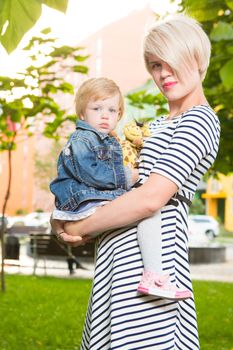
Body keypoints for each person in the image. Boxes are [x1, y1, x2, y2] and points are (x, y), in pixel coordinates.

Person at [51, 14, 220, 349]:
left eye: (172, 62)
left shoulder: (200, 119)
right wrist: (63, 216)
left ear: (197, 58)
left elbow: (150, 199)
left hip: (149, 272)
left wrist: (82, 227)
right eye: (155, 65)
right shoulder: (156, 124)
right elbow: (108, 183)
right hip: (115, 263)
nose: (163, 74)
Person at [50, 77, 138, 233]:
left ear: (119, 115)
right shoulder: (82, 139)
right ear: (82, 114)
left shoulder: (110, 140)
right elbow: (91, 174)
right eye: (97, 109)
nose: (105, 115)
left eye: (111, 110)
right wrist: (125, 176)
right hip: (84, 200)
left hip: (97, 197)